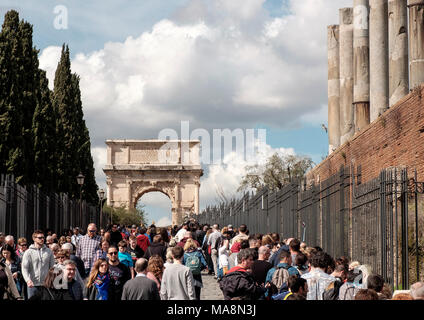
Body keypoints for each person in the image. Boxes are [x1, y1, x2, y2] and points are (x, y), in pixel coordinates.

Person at [21, 230, 55, 298]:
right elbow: (24, 268)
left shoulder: (49, 252)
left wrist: (52, 281)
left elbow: (52, 268)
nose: (42, 239)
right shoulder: (28, 252)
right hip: (33, 285)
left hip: (46, 285)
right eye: (40, 238)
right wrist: (28, 280)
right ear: (34, 239)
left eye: (43, 237)